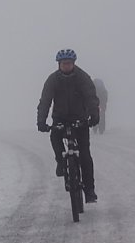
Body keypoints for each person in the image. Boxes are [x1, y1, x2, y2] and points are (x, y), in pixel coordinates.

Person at [37, 49, 101, 203]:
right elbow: (45, 101)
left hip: (80, 119)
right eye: (64, 63)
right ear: (59, 64)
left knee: (85, 155)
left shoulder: (82, 77)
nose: (67, 66)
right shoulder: (52, 80)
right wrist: (41, 121)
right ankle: (60, 161)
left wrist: (94, 115)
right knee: (55, 138)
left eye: (69, 63)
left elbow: (91, 97)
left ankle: (89, 190)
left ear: (74, 64)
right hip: (60, 118)